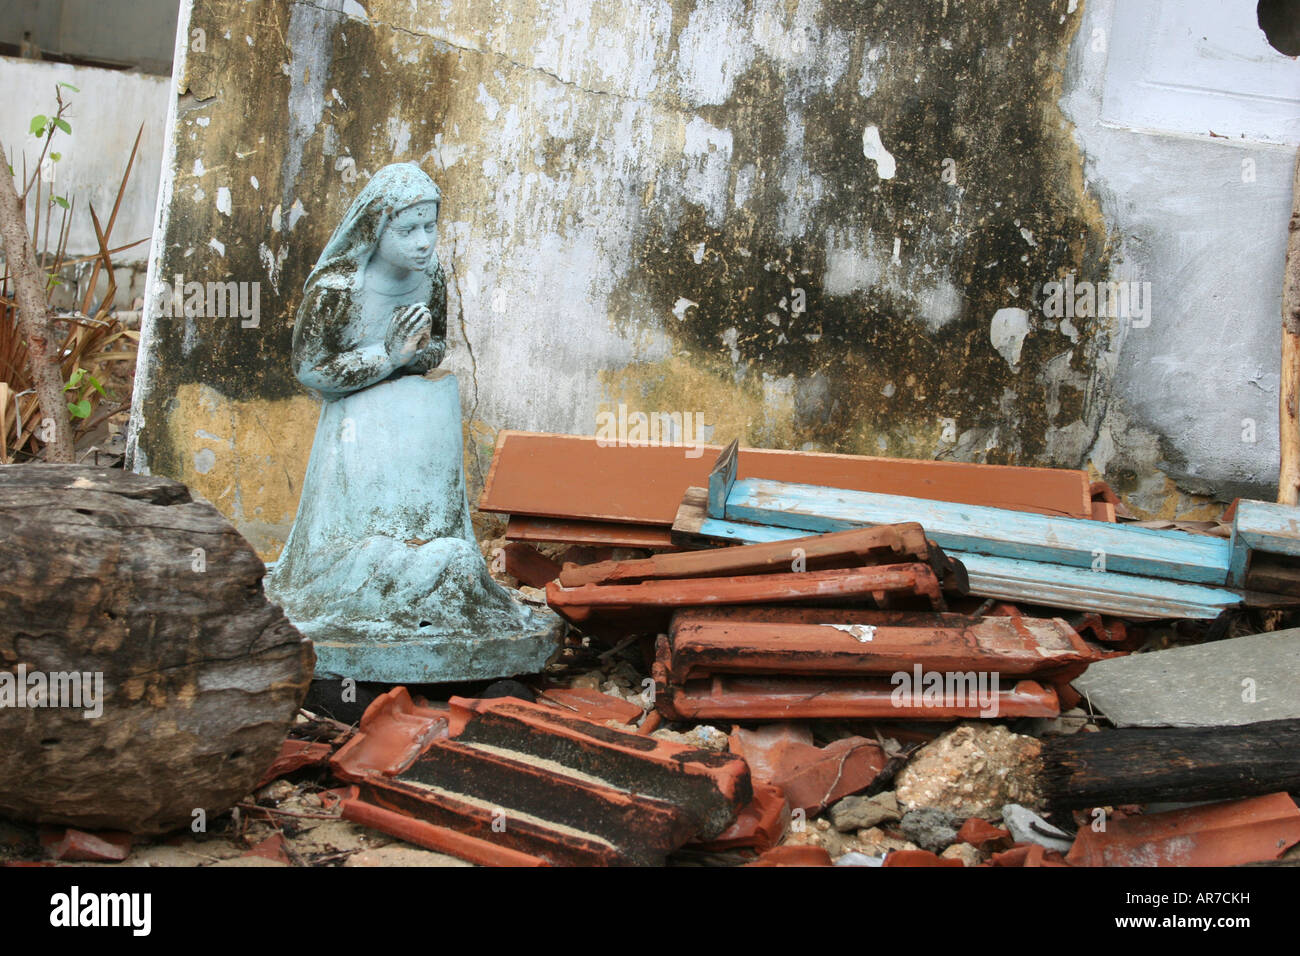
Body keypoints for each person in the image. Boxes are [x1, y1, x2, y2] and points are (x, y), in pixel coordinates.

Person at [267, 163, 561, 683]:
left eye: (430, 226)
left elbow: (438, 347)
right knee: (360, 549)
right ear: (374, 230)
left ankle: (432, 581)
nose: (423, 242)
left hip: (418, 428)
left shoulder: (432, 277)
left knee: (439, 543)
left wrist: (414, 355)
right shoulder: (339, 287)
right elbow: (311, 369)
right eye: (407, 230)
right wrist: (386, 355)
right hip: (356, 430)